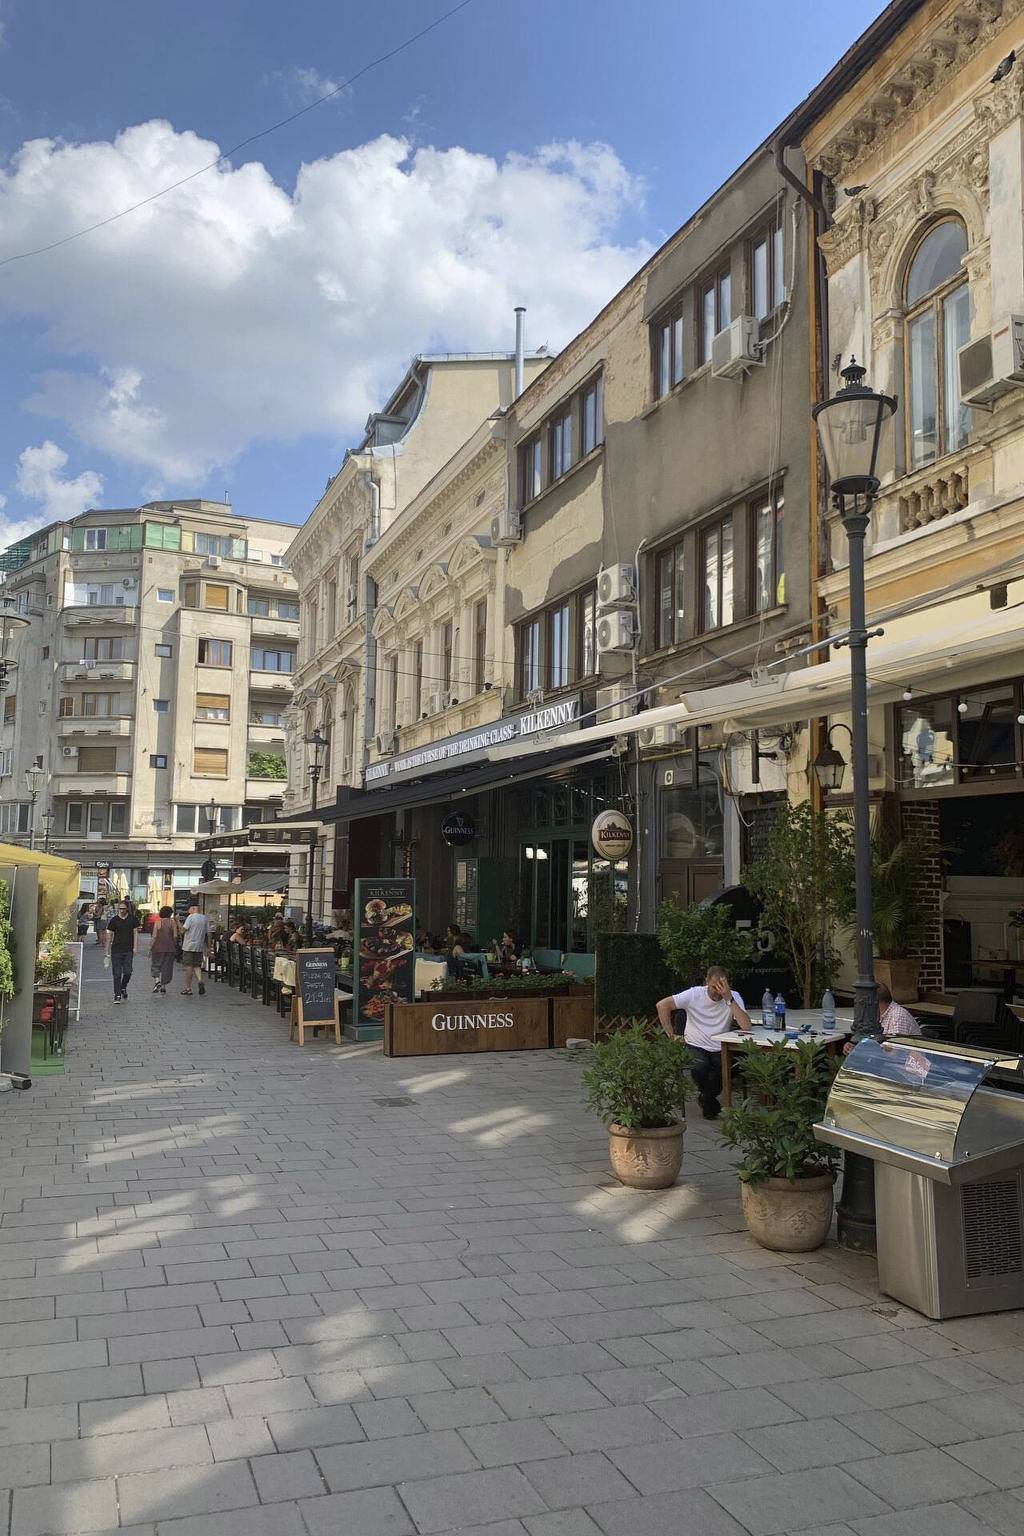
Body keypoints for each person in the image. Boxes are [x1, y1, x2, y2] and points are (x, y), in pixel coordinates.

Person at [656, 965, 751, 1120]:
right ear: (706, 981)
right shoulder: (694, 994)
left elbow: (746, 1026)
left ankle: (706, 1098)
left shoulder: (733, 996)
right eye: (713, 987)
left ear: (728, 985)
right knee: (700, 1066)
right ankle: (709, 1101)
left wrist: (729, 999)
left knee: (731, 1067)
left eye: (721, 987)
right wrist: (671, 1035)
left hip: (721, 1045)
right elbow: (662, 1005)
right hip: (695, 1043)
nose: (717, 992)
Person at [843, 983, 921, 1054]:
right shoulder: (875, 1016)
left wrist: (863, 1051)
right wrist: (854, 1047)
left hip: (904, 1066)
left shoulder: (897, 1017)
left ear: (874, 1002)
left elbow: (894, 1053)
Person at [104, 900, 139, 1003]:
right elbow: (109, 936)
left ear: (127, 908)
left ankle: (123, 987)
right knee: (117, 974)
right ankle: (117, 994)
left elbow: (135, 933)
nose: (122, 910)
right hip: (116, 950)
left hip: (128, 949)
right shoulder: (114, 920)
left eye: (124, 908)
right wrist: (106, 951)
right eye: (120, 908)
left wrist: (135, 947)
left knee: (128, 972)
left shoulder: (133, 919)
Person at [180, 903, 211, 997]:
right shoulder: (205, 918)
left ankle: (188, 988)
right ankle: (200, 980)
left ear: (193, 908)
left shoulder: (191, 917)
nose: (188, 911)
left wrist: (177, 922)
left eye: (189, 909)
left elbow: (182, 930)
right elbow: (209, 934)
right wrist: (209, 947)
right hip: (199, 946)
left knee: (189, 966)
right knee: (197, 965)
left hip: (188, 946)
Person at [150, 905, 180, 994]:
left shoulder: (158, 922)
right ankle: (163, 986)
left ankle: (157, 981)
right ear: (170, 913)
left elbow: (154, 936)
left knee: (156, 965)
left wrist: (150, 947)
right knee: (166, 967)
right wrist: (173, 943)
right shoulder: (172, 923)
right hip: (169, 948)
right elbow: (175, 936)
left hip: (158, 947)